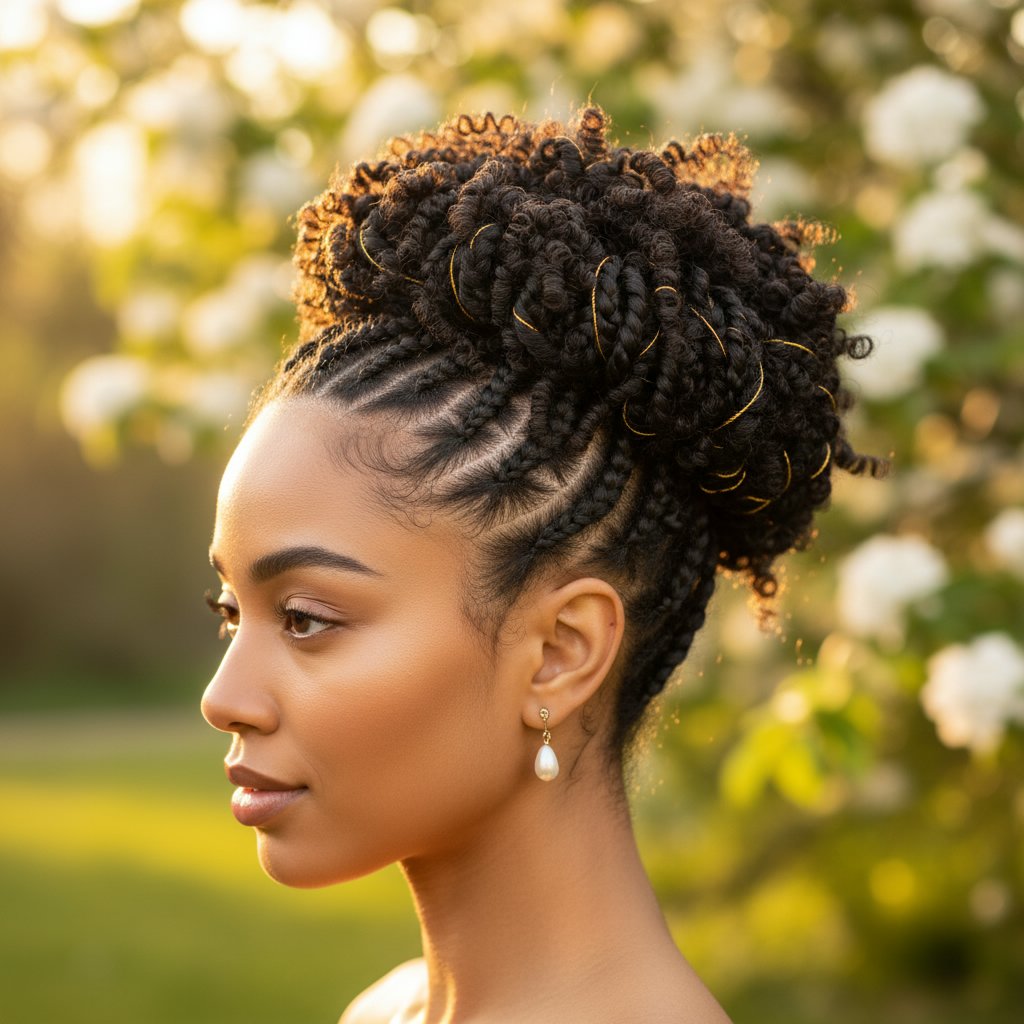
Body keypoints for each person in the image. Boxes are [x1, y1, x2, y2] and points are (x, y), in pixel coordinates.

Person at [201, 108, 882, 1024]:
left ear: (561, 652)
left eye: (308, 618)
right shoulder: (388, 1011)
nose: (223, 696)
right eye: (230, 611)